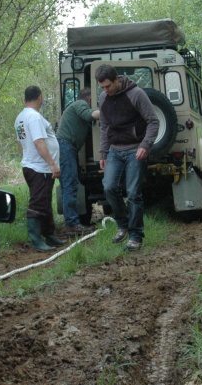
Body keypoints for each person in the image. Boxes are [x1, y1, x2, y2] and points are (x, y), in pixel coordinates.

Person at [96, 64, 159, 251]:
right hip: (115, 149)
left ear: (117, 80)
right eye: (102, 88)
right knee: (109, 187)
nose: (106, 90)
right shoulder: (103, 98)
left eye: (108, 86)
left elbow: (153, 121)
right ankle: (122, 225)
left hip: (135, 150)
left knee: (133, 193)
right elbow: (104, 127)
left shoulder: (136, 94)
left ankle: (136, 236)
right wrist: (103, 152)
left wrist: (145, 145)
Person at [15, 85, 66, 251]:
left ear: (24, 99)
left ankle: (49, 235)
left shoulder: (20, 118)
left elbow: (20, 143)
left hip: (32, 164)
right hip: (39, 167)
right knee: (38, 202)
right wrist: (52, 163)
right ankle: (36, 239)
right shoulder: (34, 117)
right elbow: (38, 142)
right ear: (40, 98)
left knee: (44, 201)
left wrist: (26, 158)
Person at [57, 87, 100, 236]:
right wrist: (109, 110)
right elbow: (90, 116)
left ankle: (72, 222)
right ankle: (72, 224)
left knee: (68, 185)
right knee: (70, 185)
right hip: (66, 146)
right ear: (89, 100)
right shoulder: (80, 104)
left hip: (67, 147)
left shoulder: (75, 106)